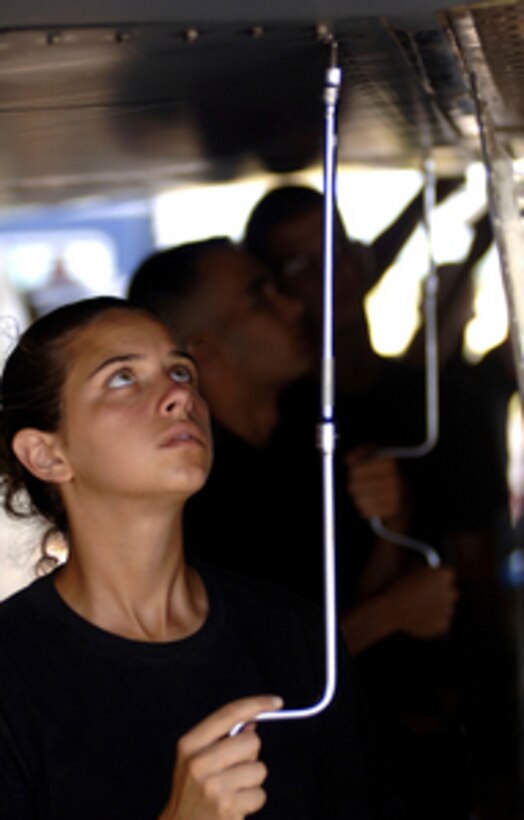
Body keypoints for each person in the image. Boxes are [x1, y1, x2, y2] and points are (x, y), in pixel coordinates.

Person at [0, 296, 400, 820]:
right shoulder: (13, 670)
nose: (176, 396)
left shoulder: (292, 633)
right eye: (122, 378)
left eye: (181, 372)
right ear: (47, 455)